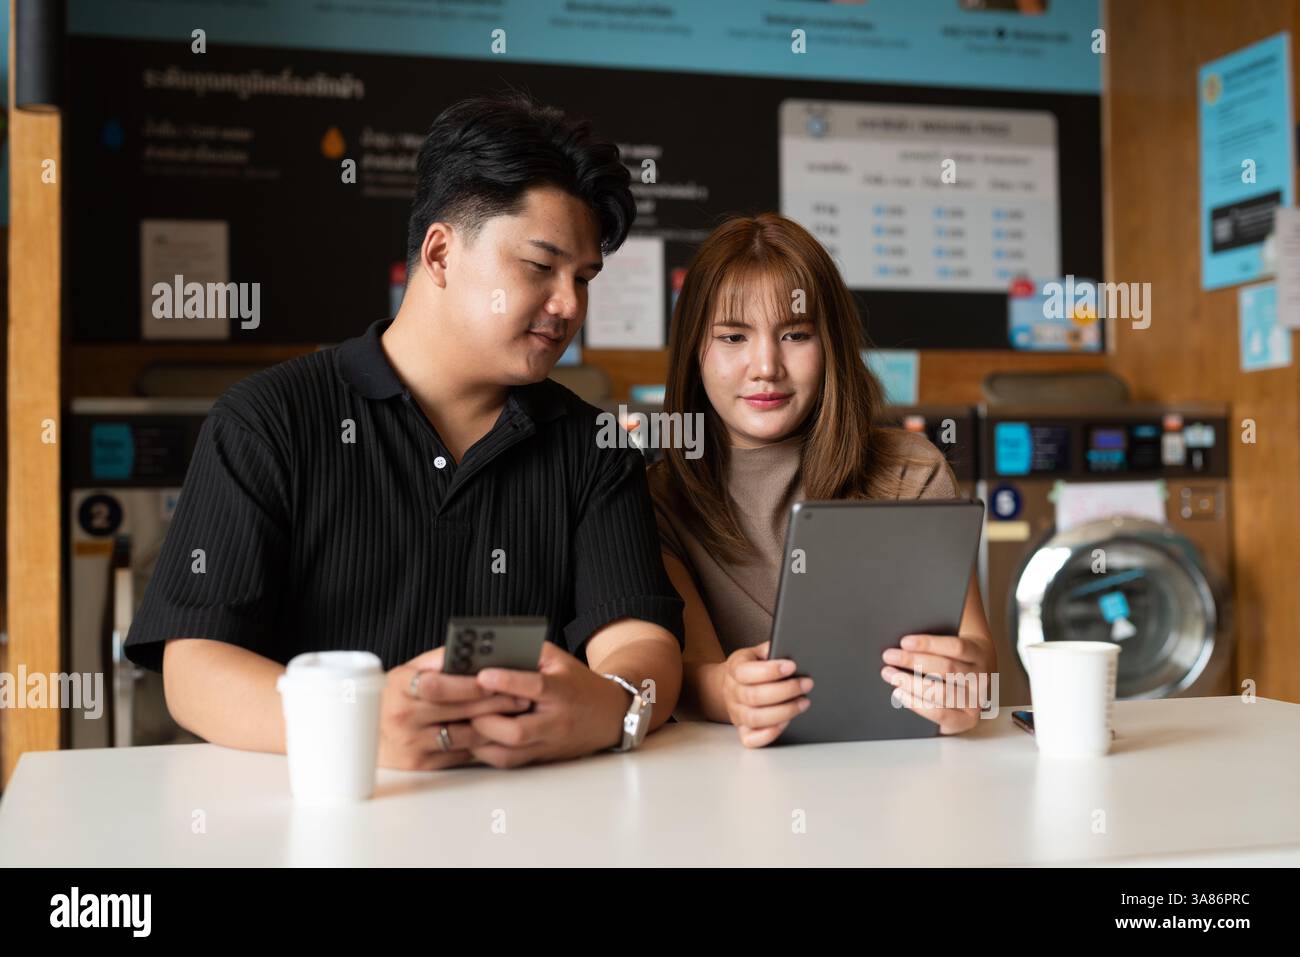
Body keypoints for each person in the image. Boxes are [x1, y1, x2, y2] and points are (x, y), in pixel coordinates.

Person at [126, 92, 685, 770]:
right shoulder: (267, 421)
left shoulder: (594, 449)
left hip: (528, 823)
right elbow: (194, 667)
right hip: (317, 820)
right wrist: (355, 723)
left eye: (584, 278)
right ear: (442, 253)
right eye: (540, 267)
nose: (570, 306)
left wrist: (614, 705)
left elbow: (641, 641)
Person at [648, 213, 996, 747]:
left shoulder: (911, 471)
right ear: (696, 352)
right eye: (734, 336)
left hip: (895, 767)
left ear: (830, 344)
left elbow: (976, 650)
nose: (766, 365)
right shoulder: (662, 496)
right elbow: (693, 674)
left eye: (795, 334)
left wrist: (966, 687)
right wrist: (730, 690)